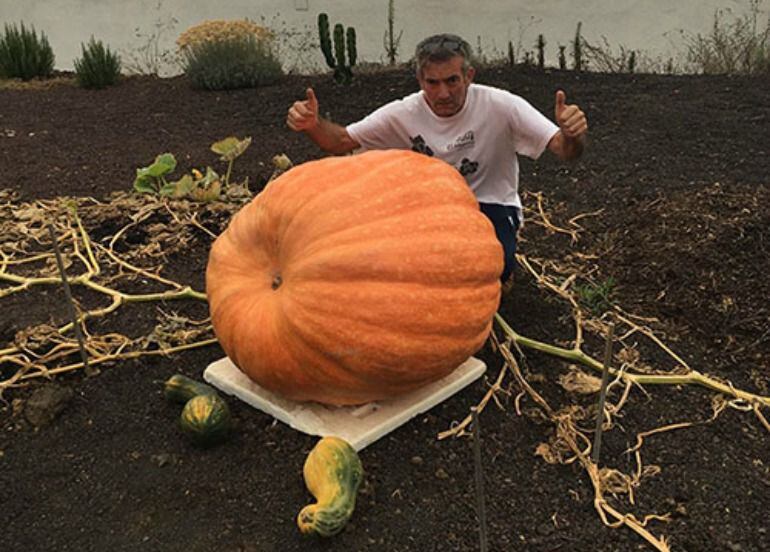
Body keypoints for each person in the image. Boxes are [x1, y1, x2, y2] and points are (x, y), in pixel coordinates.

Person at [286, 33, 588, 288]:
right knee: (393, 267)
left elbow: (564, 149)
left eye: (452, 81)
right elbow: (340, 141)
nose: (443, 93)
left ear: (469, 76)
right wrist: (312, 125)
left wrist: (572, 134)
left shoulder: (502, 106)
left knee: (491, 270)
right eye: (432, 83)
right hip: (425, 206)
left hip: (488, 203)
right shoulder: (404, 112)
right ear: (420, 80)